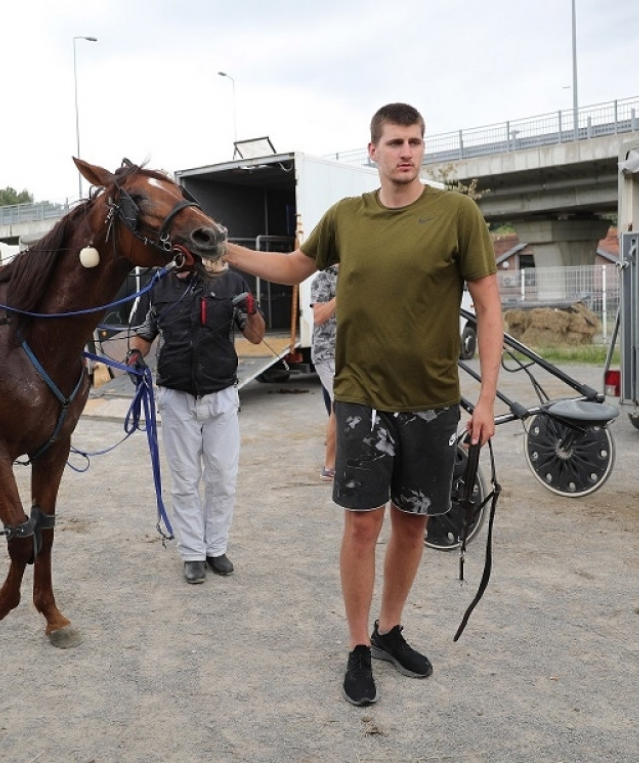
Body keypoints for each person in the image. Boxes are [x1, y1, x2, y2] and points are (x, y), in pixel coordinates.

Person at [224, 102, 503, 706]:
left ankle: (389, 629)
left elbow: (489, 308)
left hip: (432, 401)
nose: (407, 152)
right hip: (360, 399)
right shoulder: (347, 217)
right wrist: (227, 251)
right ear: (372, 151)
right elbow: (295, 267)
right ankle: (356, 646)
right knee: (361, 525)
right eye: (395, 142)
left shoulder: (457, 214)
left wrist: (484, 396)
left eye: (416, 142)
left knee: (413, 524)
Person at [126, 262, 266, 584]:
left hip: (221, 395)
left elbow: (256, 336)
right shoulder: (158, 285)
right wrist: (135, 355)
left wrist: (252, 309)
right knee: (185, 479)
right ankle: (192, 553)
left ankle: (216, 547)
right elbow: (146, 333)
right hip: (176, 396)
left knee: (223, 478)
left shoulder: (231, 281)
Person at [311, 264, 339, 480]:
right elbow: (319, 316)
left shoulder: (354, 274)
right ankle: (330, 466)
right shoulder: (322, 279)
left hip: (350, 352)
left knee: (342, 406)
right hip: (326, 352)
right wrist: (343, 295)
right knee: (340, 405)